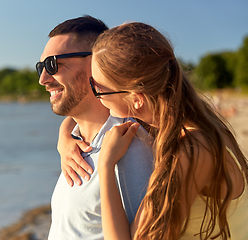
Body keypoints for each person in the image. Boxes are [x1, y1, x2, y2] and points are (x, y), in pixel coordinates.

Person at [87, 22, 248, 239]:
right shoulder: (201, 122)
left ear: (137, 100)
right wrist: (65, 136)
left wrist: (105, 166)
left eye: (97, 88)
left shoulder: (193, 149)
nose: (94, 93)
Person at [36, 16, 154, 239]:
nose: (43, 78)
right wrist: (64, 133)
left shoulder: (130, 147)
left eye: (53, 64)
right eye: (41, 66)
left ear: (96, 63)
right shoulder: (75, 143)